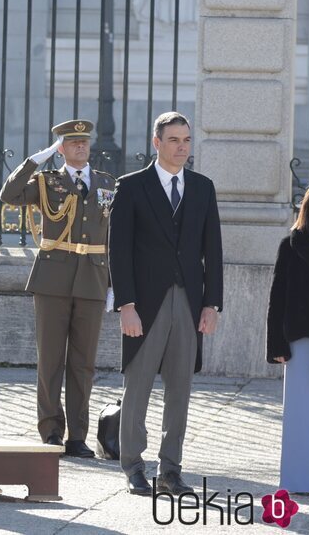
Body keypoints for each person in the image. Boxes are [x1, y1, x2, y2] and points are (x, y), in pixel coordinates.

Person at [109, 111, 223, 496]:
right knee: (137, 386)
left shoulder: (204, 188)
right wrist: (125, 304)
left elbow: (214, 252)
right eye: (174, 140)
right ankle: (133, 467)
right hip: (144, 304)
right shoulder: (132, 187)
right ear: (156, 143)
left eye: (187, 140)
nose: (182, 148)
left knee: (180, 389)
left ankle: (170, 469)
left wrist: (212, 305)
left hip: (189, 303)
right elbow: (118, 251)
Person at [0, 119, 114, 457]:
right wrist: (37, 160)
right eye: (72, 142)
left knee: (83, 362)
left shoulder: (107, 184)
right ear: (61, 148)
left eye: (85, 142)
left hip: (93, 278)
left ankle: (77, 435)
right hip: (53, 279)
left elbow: (115, 237)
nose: (80, 147)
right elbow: (9, 195)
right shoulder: (47, 181)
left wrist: (114, 285)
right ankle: (51, 430)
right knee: (50, 359)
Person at [266, 179, 309, 493]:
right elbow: (277, 297)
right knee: (301, 415)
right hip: (301, 340)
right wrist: (277, 343)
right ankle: (299, 479)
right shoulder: (291, 244)